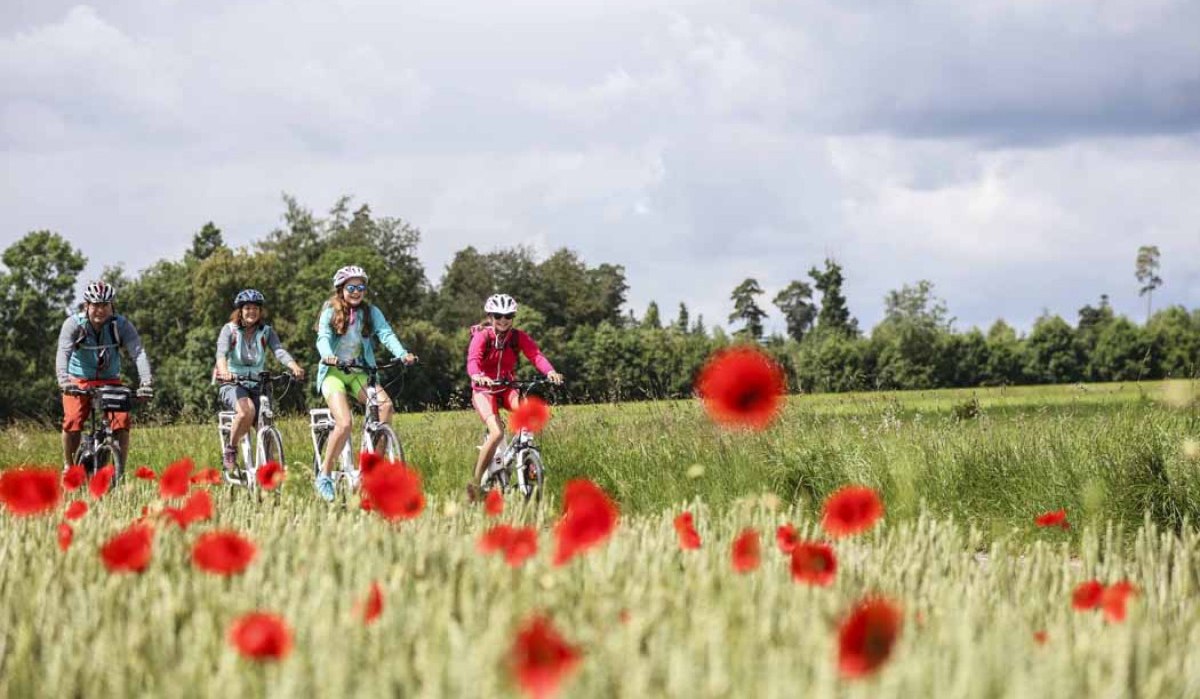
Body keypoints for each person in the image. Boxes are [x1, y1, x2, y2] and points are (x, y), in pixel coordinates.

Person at [313, 265, 418, 501]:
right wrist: (328, 355)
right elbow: (323, 338)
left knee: (385, 407)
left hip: (360, 371)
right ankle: (325, 475)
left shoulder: (370, 312)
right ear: (341, 289)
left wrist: (402, 353)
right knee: (345, 422)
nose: (357, 291)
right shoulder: (330, 310)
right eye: (351, 287)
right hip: (334, 373)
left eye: (361, 287)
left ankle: (372, 473)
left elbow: (386, 334)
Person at [466, 293, 563, 502]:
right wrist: (478, 376)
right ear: (490, 316)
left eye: (508, 315)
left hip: (507, 386)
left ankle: (527, 461)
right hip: (484, 389)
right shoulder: (482, 336)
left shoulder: (517, 337)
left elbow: (535, 355)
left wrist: (550, 372)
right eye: (498, 315)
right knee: (497, 433)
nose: (503, 320)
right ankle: (474, 484)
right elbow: (473, 360)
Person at [55, 280, 153, 471]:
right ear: (86, 306)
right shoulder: (74, 325)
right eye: (96, 305)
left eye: (105, 305)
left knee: (122, 421)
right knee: (73, 421)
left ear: (111, 306)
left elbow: (138, 352)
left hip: (110, 379)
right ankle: (68, 465)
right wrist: (63, 381)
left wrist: (146, 381)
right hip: (78, 379)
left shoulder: (121, 325)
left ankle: (120, 469)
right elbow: (63, 353)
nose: (100, 310)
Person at [213, 289, 306, 473]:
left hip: (259, 384)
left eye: (255, 308)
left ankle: (269, 471)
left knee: (266, 426)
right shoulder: (229, 330)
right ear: (240, 311)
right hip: (234, 383)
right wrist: (224, 372)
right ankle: (231, 449)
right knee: (246, 411)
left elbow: (278, 350)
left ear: (260, 312)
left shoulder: (266, 332)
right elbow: (221, 354)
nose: (251, 312)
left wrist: (293, 366)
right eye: (247, 308)